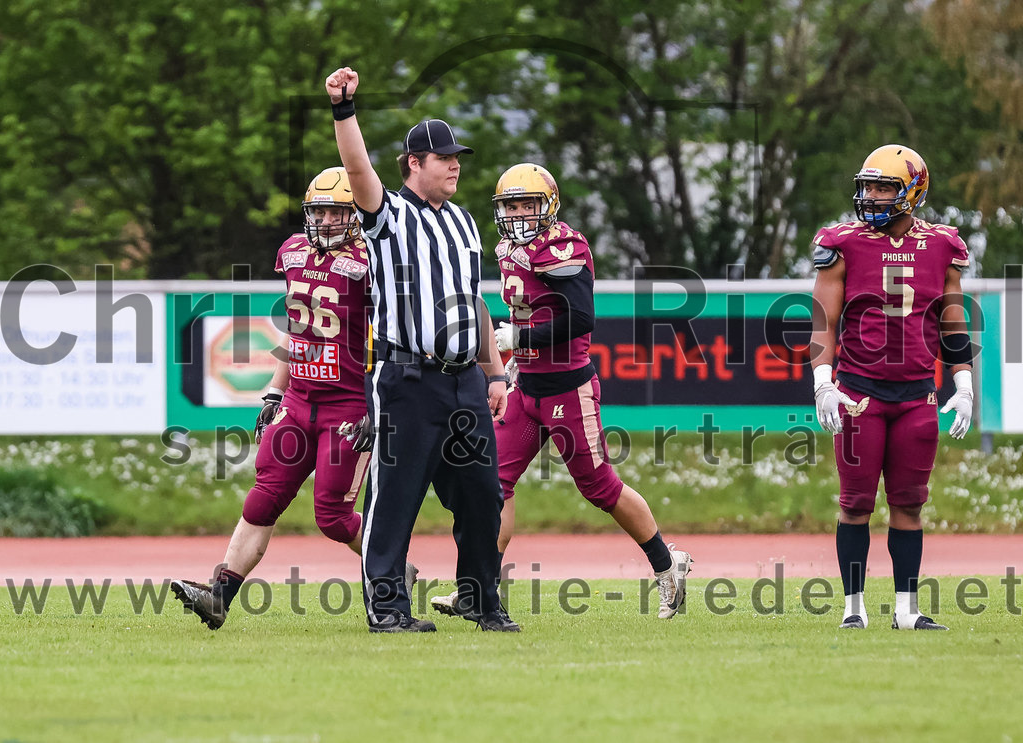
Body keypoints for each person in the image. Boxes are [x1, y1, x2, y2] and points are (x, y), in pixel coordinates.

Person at [429, 163, 693, 621]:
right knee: (493, 487)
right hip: (525, 388)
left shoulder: (563, 246)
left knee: (600, 488)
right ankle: (476, 589)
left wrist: (517, 339)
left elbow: (581, 318)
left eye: (527, 204)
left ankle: (667, 566)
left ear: (547, 205)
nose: (518, 214)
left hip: (569, 390)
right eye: (511, 205)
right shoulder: (509, 248)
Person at [170, 167, 415, 629]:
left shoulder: (373, 262)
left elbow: (395, 340)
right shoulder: (294, 253)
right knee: (263, 498)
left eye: (336, 211)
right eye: (318, 211)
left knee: (333, 514)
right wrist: (273, 392)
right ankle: (218, 597)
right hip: (300, 400)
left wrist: (380, 404)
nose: (324, 221)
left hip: (349, 406)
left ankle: (392, 567)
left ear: (356, 215)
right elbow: (296, 332)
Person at [324, 66, 518, 633]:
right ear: (414, 163)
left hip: (464, 378)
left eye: (458, 155)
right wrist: (344, 110)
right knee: (395, 499)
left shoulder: (462, 221)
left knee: (483, 496)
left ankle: (482, 600)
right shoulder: (389, 215)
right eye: (443, 157)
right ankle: (387, 607)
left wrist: (496, 373)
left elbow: (473, 302)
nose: (455, 164)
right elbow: (358, 170)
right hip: (407, 378)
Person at [810, 144, 974, 631]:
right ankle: (853, 609)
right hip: (860, 394)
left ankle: (906, 611)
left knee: (909, 503)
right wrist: (822, 381)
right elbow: (823, 320)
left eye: (885, 187)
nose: (873, 196)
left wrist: (962, 384)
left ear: (913, 192)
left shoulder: (943, 243)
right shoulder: (844, 242)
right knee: (855, 503)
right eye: (869, 187)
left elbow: (953, 322)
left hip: (918, 395)